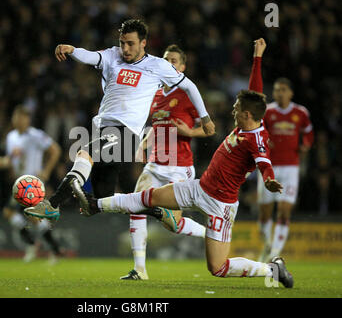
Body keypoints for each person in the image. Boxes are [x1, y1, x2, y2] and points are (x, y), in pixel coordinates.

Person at [69, 39, 294, 288]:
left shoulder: (256, 138)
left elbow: (263, 160)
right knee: (146, 198)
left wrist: (269, 178)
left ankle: (271, 269)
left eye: (236, 107)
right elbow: (255, 94)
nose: (232, 110)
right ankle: (95, 205)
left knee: (218, 268)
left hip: (221, 203)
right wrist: (257, 58)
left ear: (247, 114)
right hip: (199, 187)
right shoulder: (248, 120)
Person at [24, 19, 215, 219]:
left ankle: (52, 204)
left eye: (130, 43)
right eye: (122, 42)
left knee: (85, 153)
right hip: (104, 130)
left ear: (143, 43)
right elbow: (91, 56)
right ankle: (158, 211)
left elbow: (189, 86)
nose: (125, 48)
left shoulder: (158, 65)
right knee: (102, 199)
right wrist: (72, 50)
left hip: (126, 134)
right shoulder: (112, 55)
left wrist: (205, 118)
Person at [121, 44, 209, 280]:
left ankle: (212, 233)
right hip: (155, 163)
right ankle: (139, 269)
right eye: (165, 60)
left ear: (182, 67)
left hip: (179, 167)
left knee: (173, 224)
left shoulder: (189, 94)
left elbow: (210, 129)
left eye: (173, 60)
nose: (168, 64)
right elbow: (158, 126)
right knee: (134, 206)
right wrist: (144, 143)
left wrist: (190, 133)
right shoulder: (156, 94)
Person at [0, 105, 63, 263]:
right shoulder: (11, 136)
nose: (20, 120)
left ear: (28, 120)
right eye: (17, 117)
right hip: (19, 182)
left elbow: (55, 150)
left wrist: (46, 171)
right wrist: (4, 163)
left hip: (32, 182)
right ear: (13, 118)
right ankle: (53, 249)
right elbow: (12, 160)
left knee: (10, 212)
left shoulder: (35, 135)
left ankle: (33, 245)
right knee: (33, 218)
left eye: (24, 117)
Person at [257, 78, 314, 262]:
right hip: (269, 166)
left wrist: (305, 144)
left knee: (284, 210)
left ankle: (274, 252)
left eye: (283, 90)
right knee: (265, 211)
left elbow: (309, 132)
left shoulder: (300, 112)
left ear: (291, 93)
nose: (280, 93)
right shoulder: (268, 111)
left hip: (290, 167)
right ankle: (266, 245)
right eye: (276, 90)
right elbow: (259, 131)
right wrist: (265, 139)